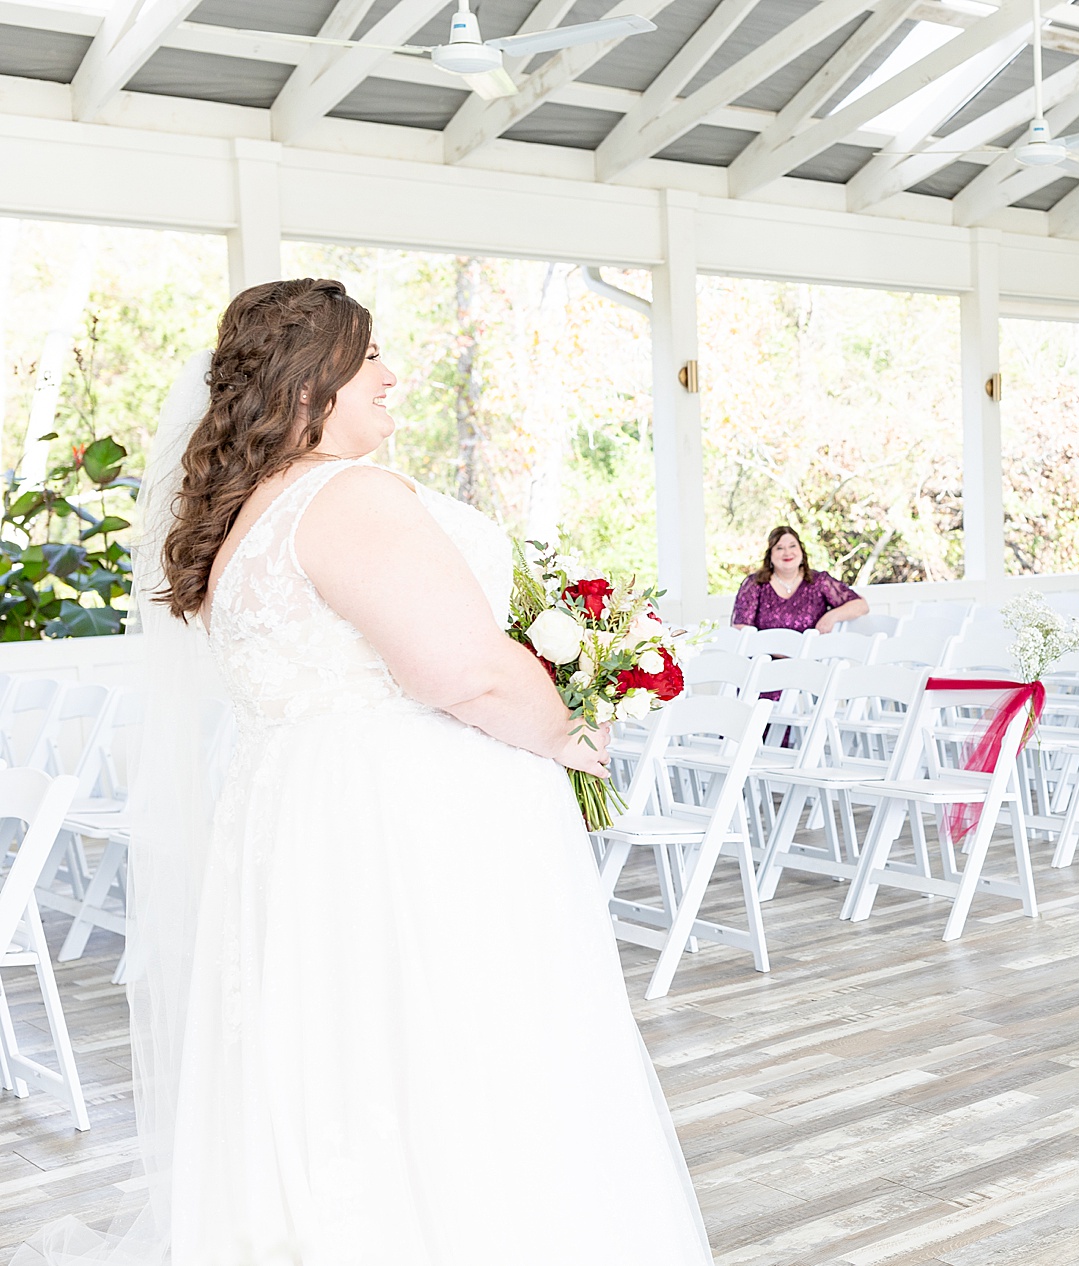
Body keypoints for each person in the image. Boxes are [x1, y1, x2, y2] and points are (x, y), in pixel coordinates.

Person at [14, 279, 714, 1265]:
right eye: (370, 357)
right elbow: (457, 668)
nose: (393, 375)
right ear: (309, 386)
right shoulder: (346, 497)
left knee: (332, 1055)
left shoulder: (243, 514)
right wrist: (566, 731)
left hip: (296, 815)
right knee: (433, 1046)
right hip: (396, 821)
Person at [730, 525, 869, 635]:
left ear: (801, 551)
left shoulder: (819, 581)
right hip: (766, 661)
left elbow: (861, 605)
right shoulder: (755, 584)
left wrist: (831, 616)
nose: (787, 553)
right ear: (770, 555)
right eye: (779, 548)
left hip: (810, 660)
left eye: (792, 546)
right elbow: (740, 627)